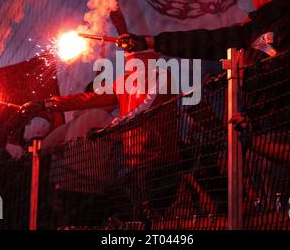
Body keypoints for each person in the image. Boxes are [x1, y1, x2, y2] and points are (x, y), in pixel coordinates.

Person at [117, 0, 290, 210]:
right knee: (268, 209)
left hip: (288, 128)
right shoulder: (253, 29)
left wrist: (247, 74)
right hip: (258, 131)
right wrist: (151, 42)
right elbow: (207, 41)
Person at [20, 50, 182, 221]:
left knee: (149, 217)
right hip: (137, 166)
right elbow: (89, 100)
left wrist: (47, 104)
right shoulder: (122, 86)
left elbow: (147, 107)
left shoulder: (161, 77)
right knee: (152, 218)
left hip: (154, 162)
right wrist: (48, 104)